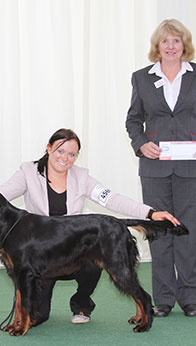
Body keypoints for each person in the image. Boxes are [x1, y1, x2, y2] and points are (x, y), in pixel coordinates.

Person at [0, 128, 179, 325]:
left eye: (71, 154)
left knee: (95, 259)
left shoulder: (82, 177)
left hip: (73, 252)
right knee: (37, 316)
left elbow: (112, 199)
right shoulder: (28, 172)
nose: (64, 158)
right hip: (42, 256)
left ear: (76, 157)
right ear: (48, 148)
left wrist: (150, 213)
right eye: (60, 150)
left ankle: (82, 304)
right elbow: (0, 196)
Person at [126, 19, 196, 318]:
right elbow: (133, 120)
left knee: (188, 232)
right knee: (159, 233)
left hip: (190, 167)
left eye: (176, 41)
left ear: (184, 46)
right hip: (154, 169)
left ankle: (190, 297)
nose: (171, 47)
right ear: (158, 46)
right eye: (165, 41)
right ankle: (164, 299)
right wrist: (141, 144)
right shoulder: (141, 77)